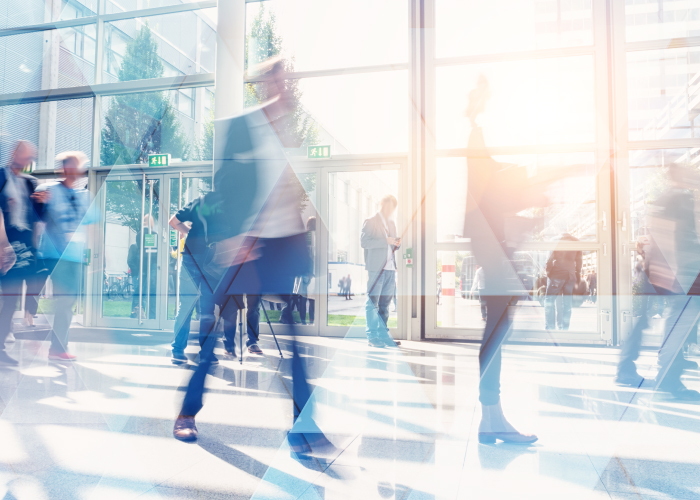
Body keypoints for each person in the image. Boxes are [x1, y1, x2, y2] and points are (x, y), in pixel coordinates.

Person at [174, 57, 334, 456]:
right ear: (264, 83)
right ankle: (188, 410)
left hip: (280, 243)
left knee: (293, 336)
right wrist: (231, 235)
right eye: (277, 79)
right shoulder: (242, 126)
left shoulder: (290, 135)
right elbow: (224, 185)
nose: (283, 87)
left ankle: (303, 426)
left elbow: (290, 191)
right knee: (214, 330)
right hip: (245, 243)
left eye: (288, 80)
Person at [462, 76, 541, 444]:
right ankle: (491, 416)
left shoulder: (479, 139)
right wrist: (531, 182)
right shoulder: (477, 135)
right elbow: (490, 185)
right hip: (491, 240)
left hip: (493, 240)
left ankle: (492, 416)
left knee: (498, 326)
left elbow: (492, 177)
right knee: (497, 328)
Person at [617, 164, 700, 400]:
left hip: (671, 272)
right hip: (678, 275)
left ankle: (666, 371)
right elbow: (666, 234)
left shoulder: (676, 197)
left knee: (667, 323)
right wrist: (674, 276)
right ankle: (668, 378)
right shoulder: (678, 197)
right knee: (675, 325)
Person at [169, 196, 262, 365]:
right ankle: (206, 354)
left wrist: (190, 232)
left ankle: (177, 350)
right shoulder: (231, 207)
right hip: (211, 262)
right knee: (207, 310)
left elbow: (173, 222)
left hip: (190, 259)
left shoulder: (200, 202)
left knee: (186, 306)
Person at [35, 151, 96, 361]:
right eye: (71, 166)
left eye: (78, 167)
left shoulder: (84, 196)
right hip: (55, 255)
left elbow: (92, 225)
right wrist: (39, 204)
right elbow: (38, 216)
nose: (75, 171)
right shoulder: (48, 190)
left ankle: (58, 346)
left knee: (68, 301)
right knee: (65, 299)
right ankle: (58, 347)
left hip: (76, 257)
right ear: (63, 168)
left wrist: (99, 253)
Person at [0, 141, 42, 364]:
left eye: (30, 158)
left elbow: (37, 217)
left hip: (23, 249)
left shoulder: (29, 184)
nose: (28, 161)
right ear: (14, 154)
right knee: (8, 298)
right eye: (25, 156)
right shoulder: (0, 176)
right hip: (4, 243)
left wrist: (43, 204)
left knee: (11, 299)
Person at [360, 194, 402, 348]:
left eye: (393, 208)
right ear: (382, 204)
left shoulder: (391, 223)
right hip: (376, 269)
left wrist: (396, 243)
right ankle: (372, 337)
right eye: (389, 206)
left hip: (390, 269)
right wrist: (386, 241)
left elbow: (393, 245)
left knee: (385, 305)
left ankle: (384, 337)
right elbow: (364, 242)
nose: (391, 210)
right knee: (373, 303)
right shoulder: (371, 221)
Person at [544, 233, 582, 331]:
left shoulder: (556, 240)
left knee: (549, 301)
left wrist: (549, 273)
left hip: (557, 274)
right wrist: (576, 275)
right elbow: (579, 262)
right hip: (570, 276)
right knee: (567, 303)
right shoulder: (576, 241)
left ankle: (550, 328)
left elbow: (549, 258)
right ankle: (564, 328)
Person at [297, 216, 316, 325]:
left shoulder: (304, 237)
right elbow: (312, 257)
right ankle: (311, 321)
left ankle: (303, 321)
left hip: (303, 272)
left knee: (303, 299)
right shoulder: (315, 238)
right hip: (312, 273)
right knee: (312, 299)